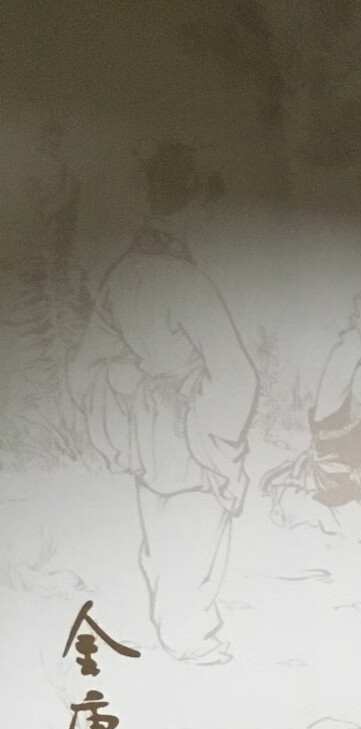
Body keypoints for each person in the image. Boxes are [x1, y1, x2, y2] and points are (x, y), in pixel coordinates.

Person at [69, 142, 258, 666]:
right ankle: (188, 634)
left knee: (160, 522)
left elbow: (88, 363)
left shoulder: (124, 274)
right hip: (191, 425)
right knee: (196, 526)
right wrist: (220, 442)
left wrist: (130, 386)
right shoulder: (186, 280)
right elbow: (236, 372)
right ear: (191, 208)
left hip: (147, 425)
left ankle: (175, 625)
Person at [261, 296, 361, 539]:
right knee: (356, 526)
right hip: (324, 481)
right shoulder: (332, 408)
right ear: (357, 373)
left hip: (350, 490)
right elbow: (340, 369)